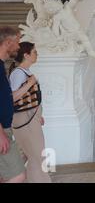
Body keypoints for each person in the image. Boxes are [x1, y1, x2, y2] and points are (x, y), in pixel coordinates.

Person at [9, 42, 51, 183]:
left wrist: (38, 114)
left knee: (26, 154)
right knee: (38, 156)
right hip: (25, 121)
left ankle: (10, 177)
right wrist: (30, 83)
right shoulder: (18, 73)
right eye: (34, 52)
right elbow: (13, 97)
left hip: (29, 119)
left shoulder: (23, 72)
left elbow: (29, 99)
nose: (36, 54)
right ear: (26, 55)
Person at [0, 26, 26, 183]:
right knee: (17, 175)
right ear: (8, 42)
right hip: (2, 131)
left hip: (5, 128)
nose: (19, 46)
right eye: (17, 41)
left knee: (6, 175)